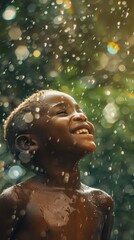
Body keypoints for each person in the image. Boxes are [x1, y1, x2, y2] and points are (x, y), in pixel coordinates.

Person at [0, 89, 113, 240]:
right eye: (62, 112)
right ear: (28, 143)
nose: (82, 116)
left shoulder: (101, 202)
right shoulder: (17, 200)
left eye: (79, 110)